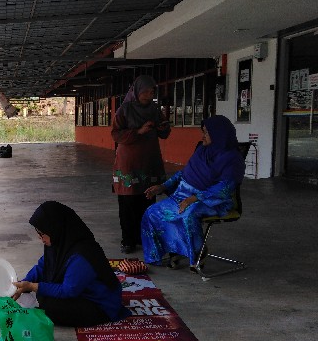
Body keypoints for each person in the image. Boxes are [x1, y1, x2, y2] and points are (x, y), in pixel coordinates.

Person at [141, 115, 246, 269]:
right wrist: (163, 186)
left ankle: (198, 254)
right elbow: (184, 173)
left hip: (212, 201)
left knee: (188, 214)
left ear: (219, 134)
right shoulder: (202, 150)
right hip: (183, 195)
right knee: (152, 212)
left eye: (206, 133)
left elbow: (224, 189)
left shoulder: (233, 159)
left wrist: (193, 199)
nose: (202, 136)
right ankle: (173, 250)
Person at [12, 201, 130, 327]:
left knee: (48, 304)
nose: (40, 238)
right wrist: (23, 284)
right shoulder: (59, 243)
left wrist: (32, 286)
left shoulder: (83, 254)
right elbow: (42, 266)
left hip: (100, 304)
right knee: (42, 294)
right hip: (81, 292)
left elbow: (69, 290)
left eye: (42, 234)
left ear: (54, 228)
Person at [112, 75, 171, 255]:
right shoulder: (125, 109)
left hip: (149, 161)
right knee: (128, 201)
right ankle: (128, 240)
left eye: (152, 92)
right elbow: (116, 134)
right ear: (136, 91)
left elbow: (165, 132)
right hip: (128, 163)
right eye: (145, 91)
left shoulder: (154, 109)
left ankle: (144, 237)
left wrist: (163, 128)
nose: (149, 95)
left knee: (147, 200)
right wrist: (139, 131)